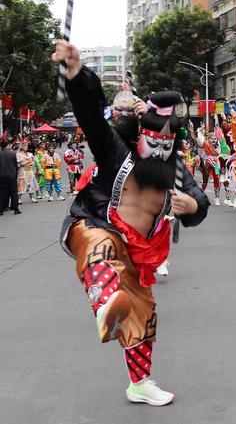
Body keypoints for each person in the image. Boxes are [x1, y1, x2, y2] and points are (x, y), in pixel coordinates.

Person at [53, 39, 209, 406]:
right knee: (100, 247)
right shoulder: (115, 151)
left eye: (169, 140)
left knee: (143, 316)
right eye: (155, 139)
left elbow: (199, 203)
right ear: (142, 134)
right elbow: (91, 116)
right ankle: (105, 299)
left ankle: (139, 383)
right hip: (94, 224)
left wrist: (192, 206)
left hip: (138, 256)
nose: (161, 147)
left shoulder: (175, 171)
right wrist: (76, 74)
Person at [0, 139, 22, 215]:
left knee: (1, 192)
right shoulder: (12, 154)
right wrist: (16, 173)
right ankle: (15, 208)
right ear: (7, 145)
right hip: (11, 175)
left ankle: (1, 209)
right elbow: (15, 165)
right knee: (14, 192)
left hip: (1, 176)